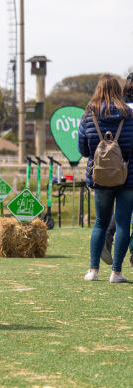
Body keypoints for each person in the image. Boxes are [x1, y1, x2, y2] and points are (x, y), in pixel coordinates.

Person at [78, 74, 133, 283]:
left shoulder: (88, 116)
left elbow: (83, 149)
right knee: (122, 224)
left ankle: (93, 270)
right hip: (128, 177)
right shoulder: (130, 116)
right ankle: (116, 273)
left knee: (100, 223)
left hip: (99, 177)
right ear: (118, 90)